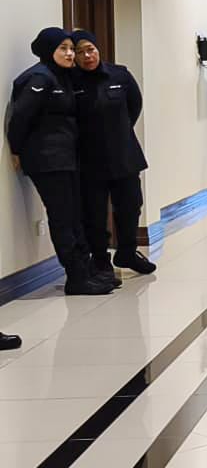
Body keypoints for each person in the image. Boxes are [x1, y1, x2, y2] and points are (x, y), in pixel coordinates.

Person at [7, 28, 115, 296]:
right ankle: (76, 277)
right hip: (48, 160)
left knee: (75, 217)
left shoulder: (61, 76)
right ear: (48, 51)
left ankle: (86, 271)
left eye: (71, 48)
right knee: (63, 218)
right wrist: (16, 150)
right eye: (63, 49)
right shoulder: (40, 78)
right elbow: (20, 118)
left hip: (66, 158)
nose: (70, 54)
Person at [71, 30, 156, 278]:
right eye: (80, 52)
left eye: (90, 49)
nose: (87, 56)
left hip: (123, 154)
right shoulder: (70, 81)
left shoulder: (120, 74)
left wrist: (118, 130)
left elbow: (134, 105)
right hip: (89, 159)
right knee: (94, 213)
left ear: (98, 49)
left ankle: (127, 252)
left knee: (131, 205)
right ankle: (100, 260)